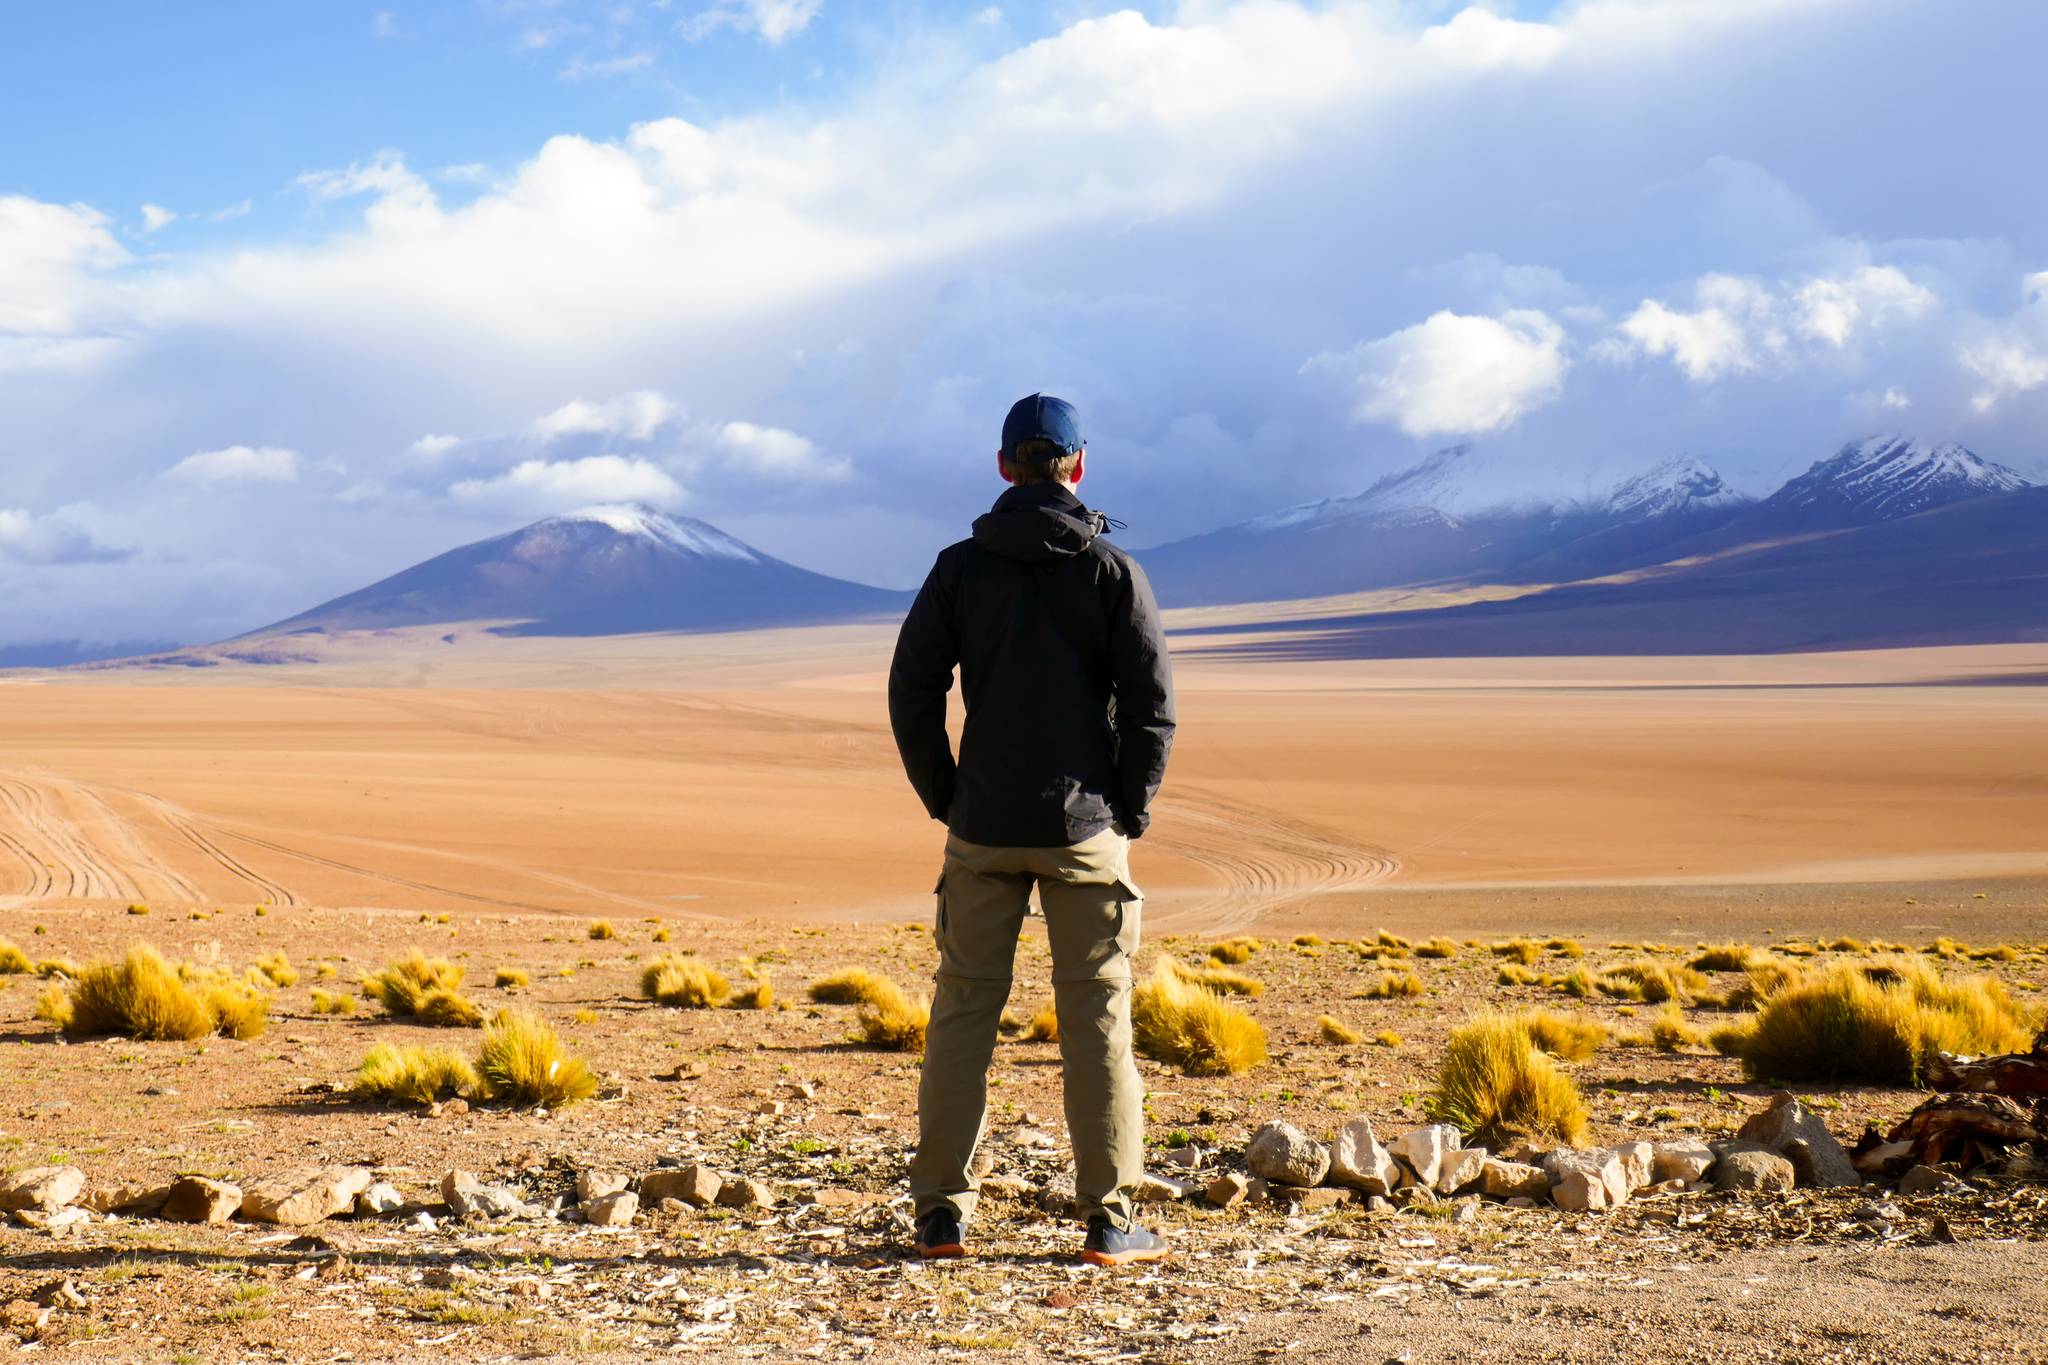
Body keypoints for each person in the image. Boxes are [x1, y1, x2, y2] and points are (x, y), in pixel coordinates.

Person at [888, 392, 1177, 1267]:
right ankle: (1111, 1220)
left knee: (963, 1008)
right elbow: (1154, 709)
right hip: (1085, 829)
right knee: (1097, 1015)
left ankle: (940, 1215)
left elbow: (911, 692)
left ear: (1006, 464)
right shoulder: (1113, 571)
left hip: (984, 826)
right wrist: (1128, 808)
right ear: (1079, 466)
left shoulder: (957, 569)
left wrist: (950, 797)